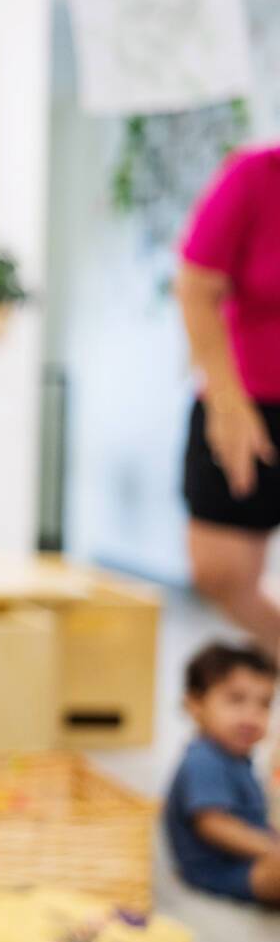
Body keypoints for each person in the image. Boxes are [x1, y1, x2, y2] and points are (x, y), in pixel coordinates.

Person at [176, 144, 280, 652]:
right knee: (220, 571)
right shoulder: (255, 175)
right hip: (249, 400)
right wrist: (227, 402)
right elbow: (196, 287)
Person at [164, 642, 280, 904]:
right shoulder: (204, 760)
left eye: (265, 704)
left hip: (246, 857)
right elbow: (214, 825)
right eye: (236, 700)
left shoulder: (236, 758)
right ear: (195, 705)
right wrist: (272, 848)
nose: (252, 715)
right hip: (221, 870)